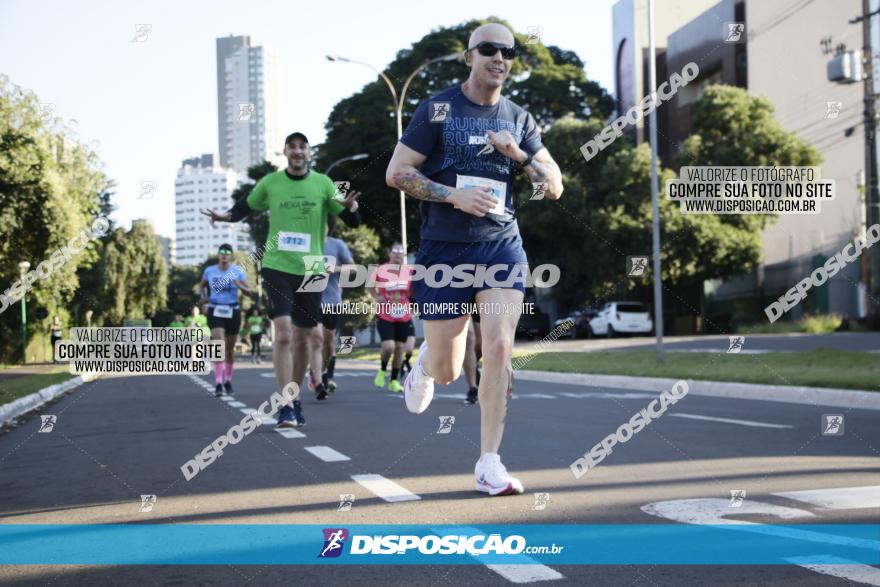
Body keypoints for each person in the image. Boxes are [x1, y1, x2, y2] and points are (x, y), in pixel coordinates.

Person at [385, 23, 564, 496]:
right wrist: (452, 196)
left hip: (501, 245)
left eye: (507, 51)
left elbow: (554, 186)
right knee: (448, 369)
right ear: (470, 56)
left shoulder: (519, 118)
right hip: (445, 249)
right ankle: (425, 365)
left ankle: (489, 461)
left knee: (501, 347)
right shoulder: (437, 108)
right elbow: (397, 172)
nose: (499, 58)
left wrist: (519, 155)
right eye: (489, 49)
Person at [200, 131, 361, 427]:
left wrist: (352, 208)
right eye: (293, 147)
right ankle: (286, 405)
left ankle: (294, 396)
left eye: (303, 147)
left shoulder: (323, 184)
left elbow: (351, 219)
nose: (298, 151)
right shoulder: (271, 183)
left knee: (305, 337)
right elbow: (244, 207)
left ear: (309, 153)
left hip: (311, 268)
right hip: (277, 266)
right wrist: (224, 217)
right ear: (285, 152)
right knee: (284, 333)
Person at [199, 243, 255, 396]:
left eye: (227, 252)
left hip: (232, 311)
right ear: (219, 255)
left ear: (231, 256)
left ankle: (228, 380)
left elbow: (250, 293)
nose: (224, 255)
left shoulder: (237, 271)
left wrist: (239, 285)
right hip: (215, 309)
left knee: (229, 350)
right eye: (221, 252)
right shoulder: (209, 270)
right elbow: (202, 285)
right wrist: (204, 299)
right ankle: (218, 383)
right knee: (219, 344)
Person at [370, 243, 413, 393]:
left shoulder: (410, 272)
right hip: (385, 314)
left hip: (403, 315)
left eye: (400, 254)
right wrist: (376, 296)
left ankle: (394, 380)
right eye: (394, 253)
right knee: (389, 347)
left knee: (400, 348)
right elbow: (369, 284)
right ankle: (382, 371)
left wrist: (414, 303)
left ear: (404, 257)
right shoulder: (381, 270)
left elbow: (414, 291)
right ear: (389, 255)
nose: (397, 256)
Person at [319, 214, 354, 392]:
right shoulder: (305, 245)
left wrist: (335, 268)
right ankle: (317, 376)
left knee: (328, 341)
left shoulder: (336, 244)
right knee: (314, 338)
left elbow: (353, 267)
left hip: (332, 300)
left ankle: (327, 375)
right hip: (308, 299)